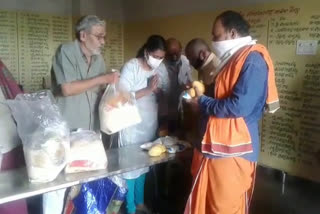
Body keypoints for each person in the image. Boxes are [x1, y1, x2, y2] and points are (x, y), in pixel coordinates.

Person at [184, 11, 279, 214]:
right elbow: (221, 97)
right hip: (219, 145)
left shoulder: (252, 60)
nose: (213, 41)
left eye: (216, 36)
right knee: (210, 203)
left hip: (236, 148)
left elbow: (238, 107)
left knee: (224, 206)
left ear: (233, 33)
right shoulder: (233, 59)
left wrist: (202, 102)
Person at [50, 15, 119, 214]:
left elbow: (98, 88)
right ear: (83, 35)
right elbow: (67, 89)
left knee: (86, 182)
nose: (103, 42)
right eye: (99, 37)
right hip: (67, 130)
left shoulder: (98, 58)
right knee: (60, 186)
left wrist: (112, 91)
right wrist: (103, 78)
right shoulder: (66, 51)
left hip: (91, 131)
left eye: (104, 37)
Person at [118, 35, 167, 214]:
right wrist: (147, 90)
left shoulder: (159, 70)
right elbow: (122, 95)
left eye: (161, 57)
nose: (158, 61)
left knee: (144, 166)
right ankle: (130, 207)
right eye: (155, 56)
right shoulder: (132, 66)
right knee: (131, 168)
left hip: (148, 125)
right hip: (131, 126)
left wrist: (159, 93)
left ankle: (139, 203)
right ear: (146, 53)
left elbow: (163, 94)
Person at [157, 38, 193, 135]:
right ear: (165, 53)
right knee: (165, 136)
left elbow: (189, 80)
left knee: (181, 136)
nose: (174, 57)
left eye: (176, 53)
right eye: (170, 54)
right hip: (165, 108)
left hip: (182, 105)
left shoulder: (185, 61)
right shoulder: (159, 66)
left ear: (181, 49)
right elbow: (160, 92)